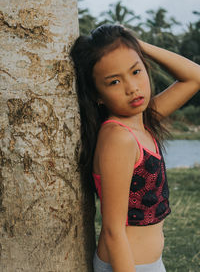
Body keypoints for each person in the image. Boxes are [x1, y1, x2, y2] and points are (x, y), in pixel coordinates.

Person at [70, 24, 200, 272]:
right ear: (98, 95)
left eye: (136, 71)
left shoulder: (143, 122)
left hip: (148, 264)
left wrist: (137, 45)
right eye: (115, 81)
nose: (132, 87)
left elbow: (195, 77)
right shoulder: (118, 137)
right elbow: (112, 229)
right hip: (126, 265)